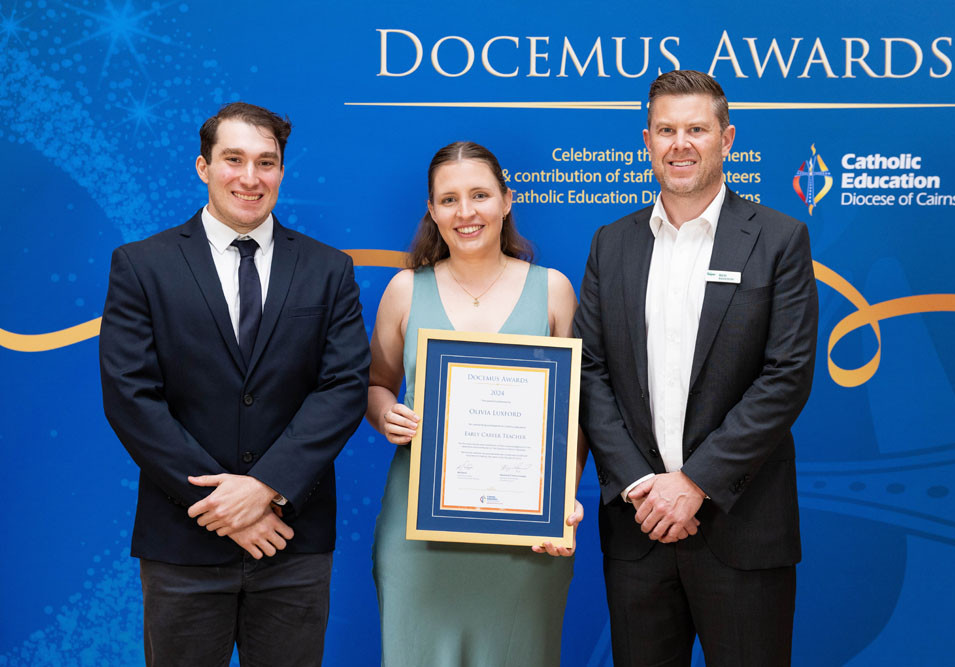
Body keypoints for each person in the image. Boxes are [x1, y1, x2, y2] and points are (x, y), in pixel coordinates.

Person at [99, 102, 370, 666]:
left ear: (281, 171)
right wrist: (222, 504)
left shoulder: (329, 269)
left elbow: (343, 387)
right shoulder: (141, 265)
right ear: (203, 167)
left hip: (292, 541)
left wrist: (265, 486)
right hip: (183, 543)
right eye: (234, 159)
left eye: (266, 162)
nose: (250, 178)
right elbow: (131, 397)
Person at [573, 70, 819, 666]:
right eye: (666, 130)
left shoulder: (779, 239)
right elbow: (591, 372)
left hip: (742, 531)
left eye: (696, 129)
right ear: (647, 140)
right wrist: (641, 487)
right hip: (639, 528)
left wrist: (694, 483)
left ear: (727, 138)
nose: (680, 143)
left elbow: (785, 376)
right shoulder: (612, 243)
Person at [367, 141, 587, 666]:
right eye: (449, 199)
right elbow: (375, 383)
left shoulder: (553, 289)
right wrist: (384, 414)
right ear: (432, 210)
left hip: (528, 536)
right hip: (418, 533)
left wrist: (562, 502)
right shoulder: (403, 291)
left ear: (507, 201)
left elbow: (575, 415)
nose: (465, 212)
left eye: (480, 195)